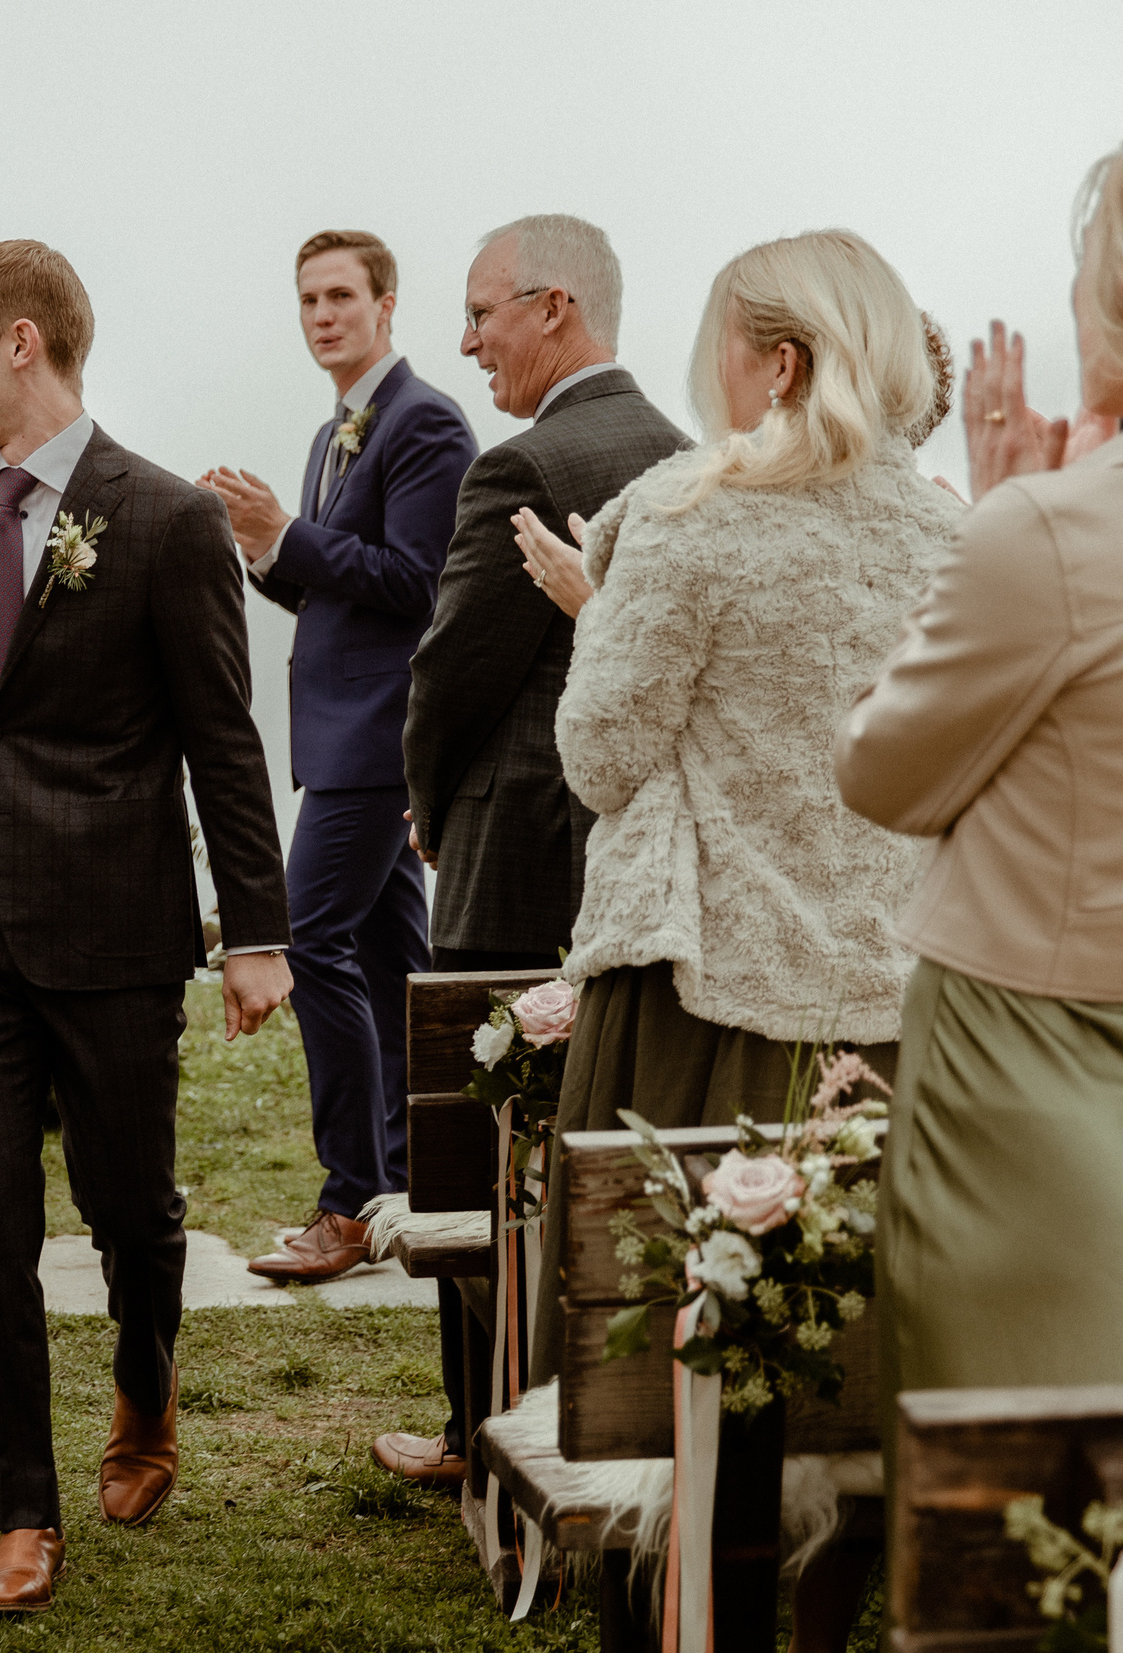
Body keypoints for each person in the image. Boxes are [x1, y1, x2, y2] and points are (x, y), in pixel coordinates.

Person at [0, 241, 294, 1614]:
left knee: (128, 1203)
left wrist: (258, 931)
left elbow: (225, 741)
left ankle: (145, 1374)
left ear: (22, 342)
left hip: (114, 918)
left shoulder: (163, 518)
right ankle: (22, 1512)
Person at [524, 228, 962, 1392]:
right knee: (863, 1339)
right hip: (900, 1008)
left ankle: (680, 1559)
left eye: (722, 343)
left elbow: (602, 755)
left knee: (668, 1348)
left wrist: (597, 621)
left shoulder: (683, 515)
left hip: (704, 1007)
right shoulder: (953, 536)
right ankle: (843, 1554)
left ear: (778, 365)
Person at [381, 214, 688, 1491]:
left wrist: (425, 806)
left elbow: (453, 671)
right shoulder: (687, 463)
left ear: (552, 307)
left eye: (481, 313)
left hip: (514, 859)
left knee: (489, 1146)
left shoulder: (523, 462)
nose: (466, 342)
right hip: (639, 874)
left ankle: (477, 1431)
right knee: (621, 1155)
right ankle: (618, 1422)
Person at [836, 143, 1123, 1442]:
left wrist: (1010, 514)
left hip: (1035, 1071)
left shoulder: (1053, 533)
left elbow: (883, 770)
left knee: (1023, 1514)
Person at [202, 228, 474, 1286]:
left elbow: (418, 581)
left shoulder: (426, 425)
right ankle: (418, 1183)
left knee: (305, 937)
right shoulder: (335, 435)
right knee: (394, 972)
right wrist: (263, 542)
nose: (321, 315)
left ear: (386, 304)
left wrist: (292, 534)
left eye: (340, 297)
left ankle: (349, 1202)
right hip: (337, 734)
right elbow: (332, 588)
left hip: (377, 739)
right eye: (307, 299)